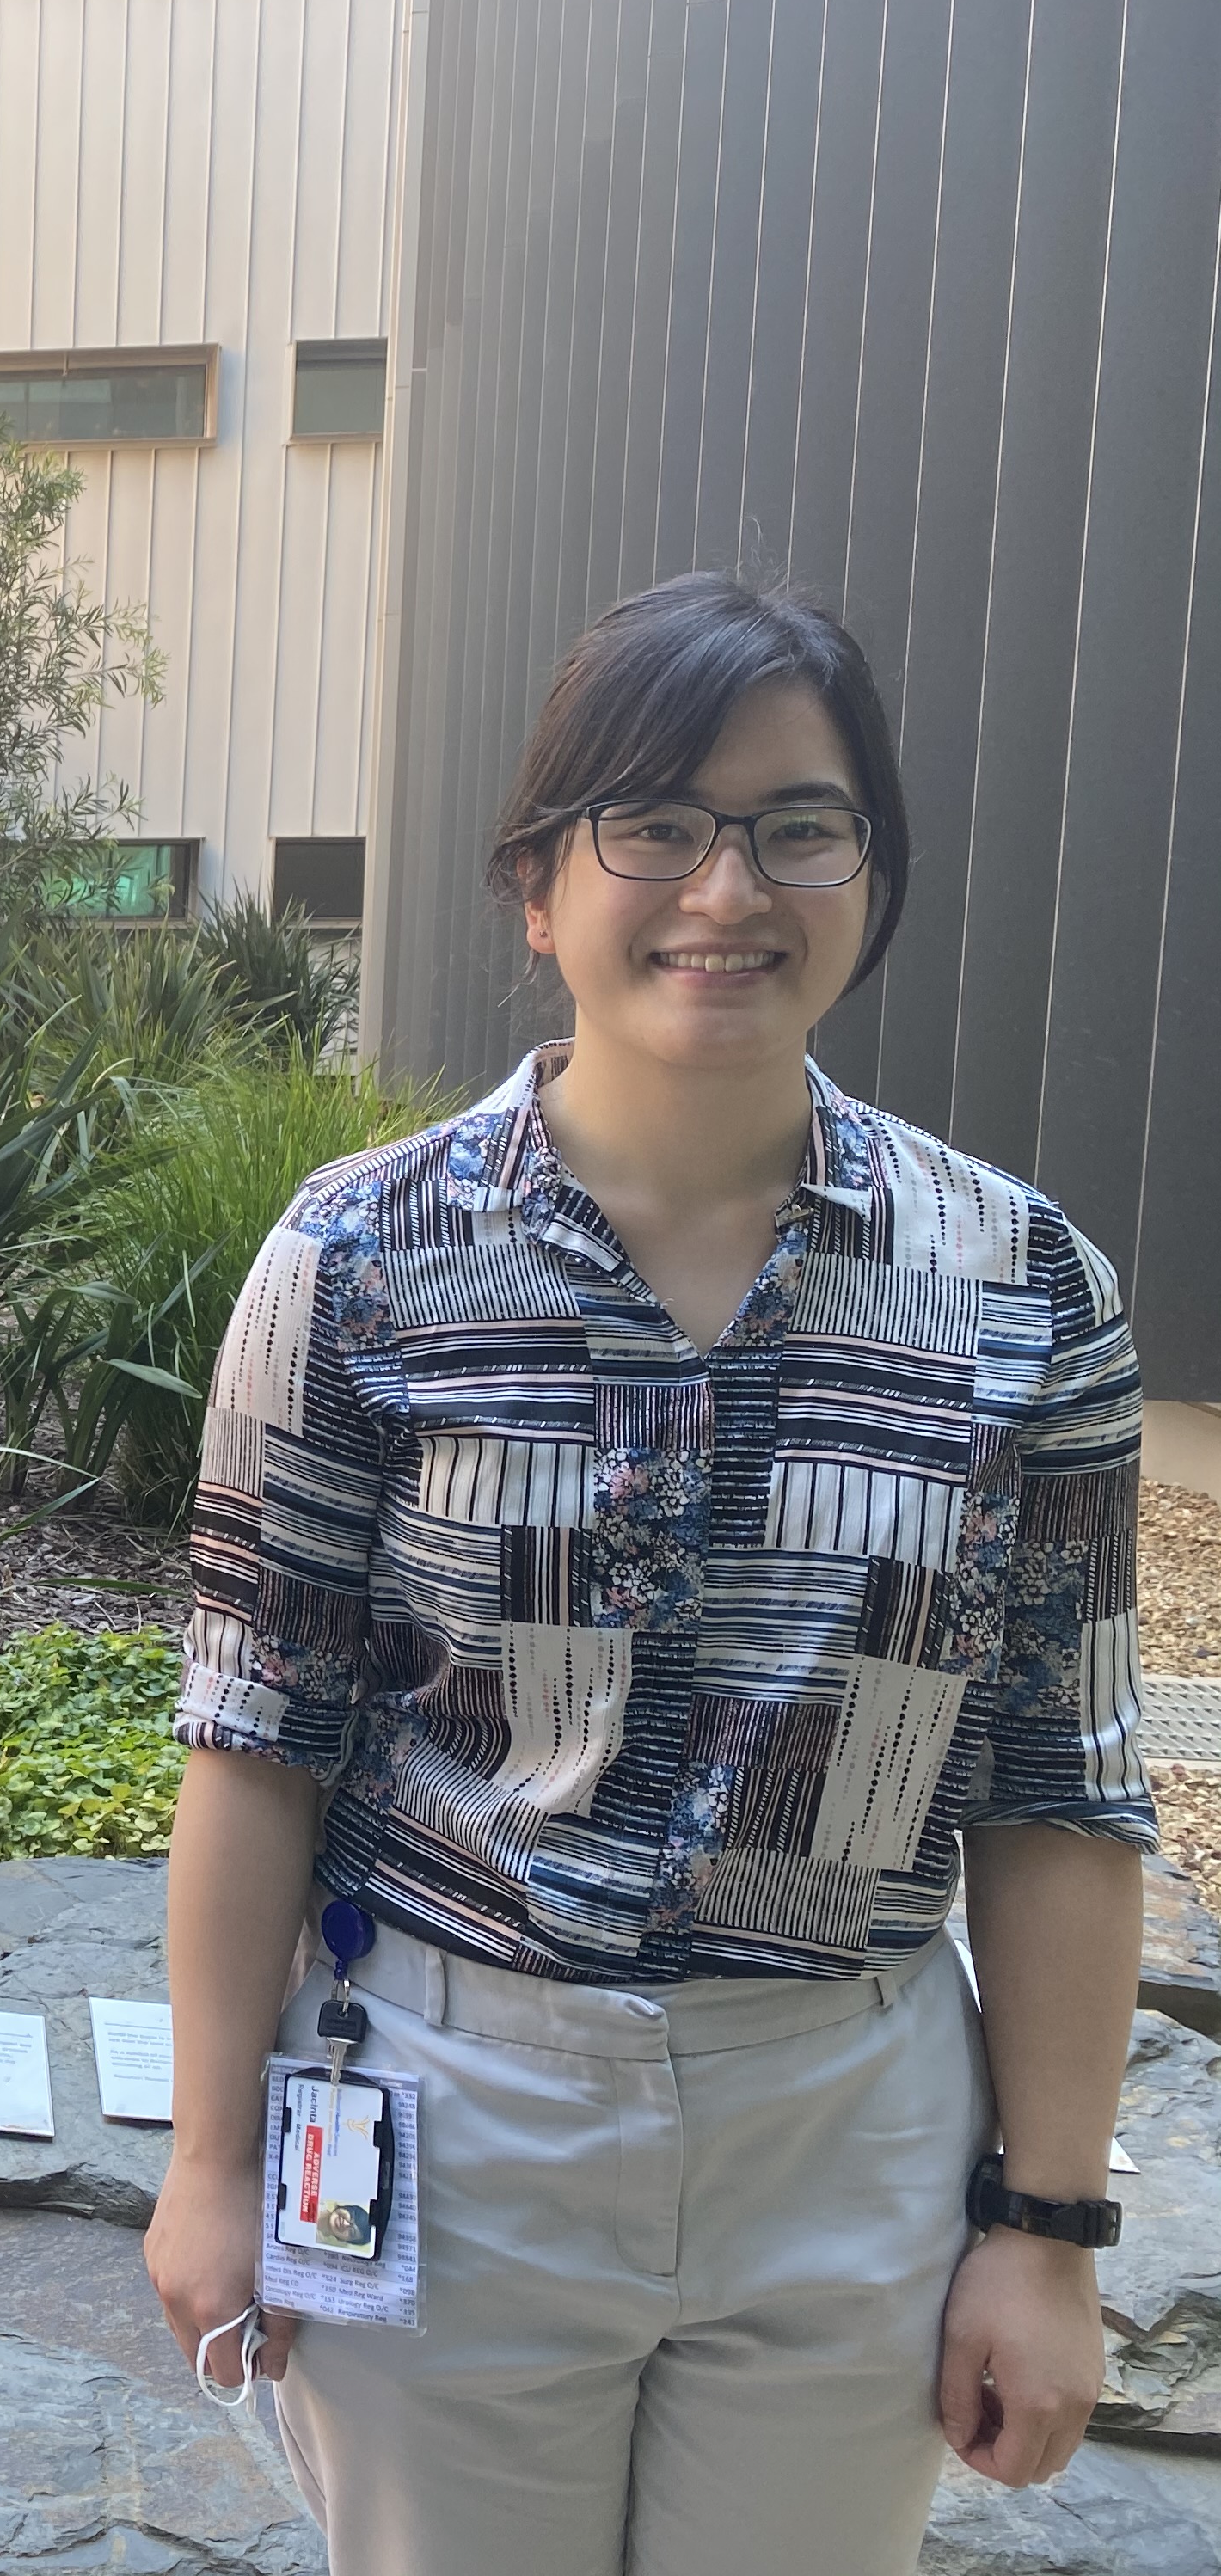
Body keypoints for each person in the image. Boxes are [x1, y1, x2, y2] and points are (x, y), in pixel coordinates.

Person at [144, 572, 1153, 2573]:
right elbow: (257, 1733)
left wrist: (1045, 2236)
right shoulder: (357, 1262)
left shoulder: (1021, 1286)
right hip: (445, 2094)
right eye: (657, 824)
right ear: (539, 885)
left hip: (846, 2115)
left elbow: (1064, 1780)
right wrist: (205, 2158)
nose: (728, 885)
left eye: (799, 822)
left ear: (869, 873)